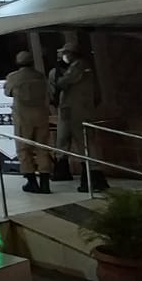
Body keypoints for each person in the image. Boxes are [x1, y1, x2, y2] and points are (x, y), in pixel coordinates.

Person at [51, 42, 108, 192]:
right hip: (77, 110)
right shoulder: (83, 66)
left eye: (66, 53)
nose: (64, 56)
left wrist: (59, 76)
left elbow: (63, 82)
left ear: (71, 54)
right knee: (75, 141)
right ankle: (89, 175)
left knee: (85, 144)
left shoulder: (78, 66)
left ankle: (93, 177)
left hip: (77, 111)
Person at [4, 51, 52, 194]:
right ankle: (45, 183)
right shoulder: (40, 76)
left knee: (24, 149)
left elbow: (7, 92)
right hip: (41, 116)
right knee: (43, 148)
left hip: (22, 117)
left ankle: (32, 182)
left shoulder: (13, 77)